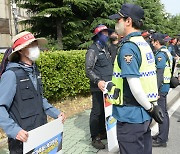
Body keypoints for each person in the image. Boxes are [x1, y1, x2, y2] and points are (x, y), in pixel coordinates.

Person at [108, 3, 163, 154]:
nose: (116, 23)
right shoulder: (143, 44)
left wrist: (151, 108)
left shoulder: (129, 47)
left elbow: (134, 85)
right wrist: (152, 107)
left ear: (128, 21)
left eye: (118, 19)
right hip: (144, 114)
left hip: (131, 115)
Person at [0, 31, 66, 154]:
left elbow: (39, 99)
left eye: (36, 44)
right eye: (31, 45)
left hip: (40, 133)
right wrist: (14, 131)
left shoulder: (35, 71)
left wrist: (56, 113)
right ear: (20, 51)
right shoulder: (11, 75)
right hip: (22, 140)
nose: (36, 48)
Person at [85, 24, 113, 149]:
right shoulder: (92, 50)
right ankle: (95, 137)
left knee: (104, 110)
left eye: (107, 33)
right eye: (104, 33)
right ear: (98, 35)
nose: (107, 35)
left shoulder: (105, 48)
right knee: (97, 112)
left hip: (108, 87)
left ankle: (102, 132)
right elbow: (88, 69)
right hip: (98, 87)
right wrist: (98, 81)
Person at [151, 33, 172, 147]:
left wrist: (156, 90)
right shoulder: (166, 51)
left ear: (157, 42)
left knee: (161, 112)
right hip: (166, 85)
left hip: (161, 87)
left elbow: (159, 74)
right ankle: (162, 135)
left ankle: (161, 140)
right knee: (164, 112)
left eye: (153, 41)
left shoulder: (160, 55)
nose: (152, 43)